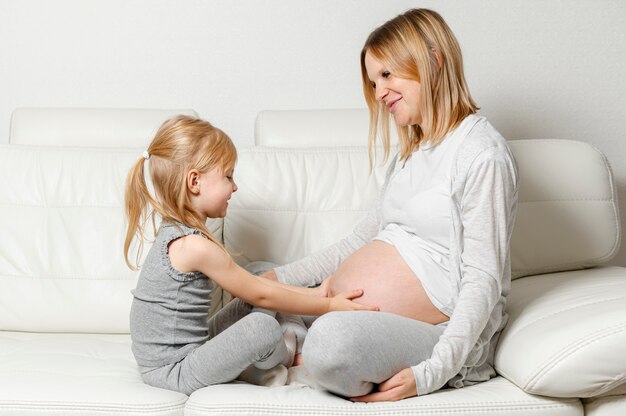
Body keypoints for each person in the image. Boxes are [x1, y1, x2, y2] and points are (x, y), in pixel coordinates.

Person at [260, 8, 519, 401]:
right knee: (254, 275)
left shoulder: (481, 154)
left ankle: (299, 346)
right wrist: (275, 281)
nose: (379, 93)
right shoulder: (408, 156)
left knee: (331, 343)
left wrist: (433, 371)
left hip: (434, 332)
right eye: (373, 80)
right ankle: (296, 342)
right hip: (353, 313)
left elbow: (483, 279)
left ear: (432, 62)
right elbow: (354, 246)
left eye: (387, 75)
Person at [123, 115, 378, 395]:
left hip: (193, 349)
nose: (235, 187)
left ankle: (289, 341)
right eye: (228, 176)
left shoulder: (177, 231)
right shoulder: (193, 247)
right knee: (261, 328)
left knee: (258, 272)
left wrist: (317, 296)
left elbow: (255, 286)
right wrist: (328, 307)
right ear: (194, 181)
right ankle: (289, 357)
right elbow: (262, 295)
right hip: (175, 371)